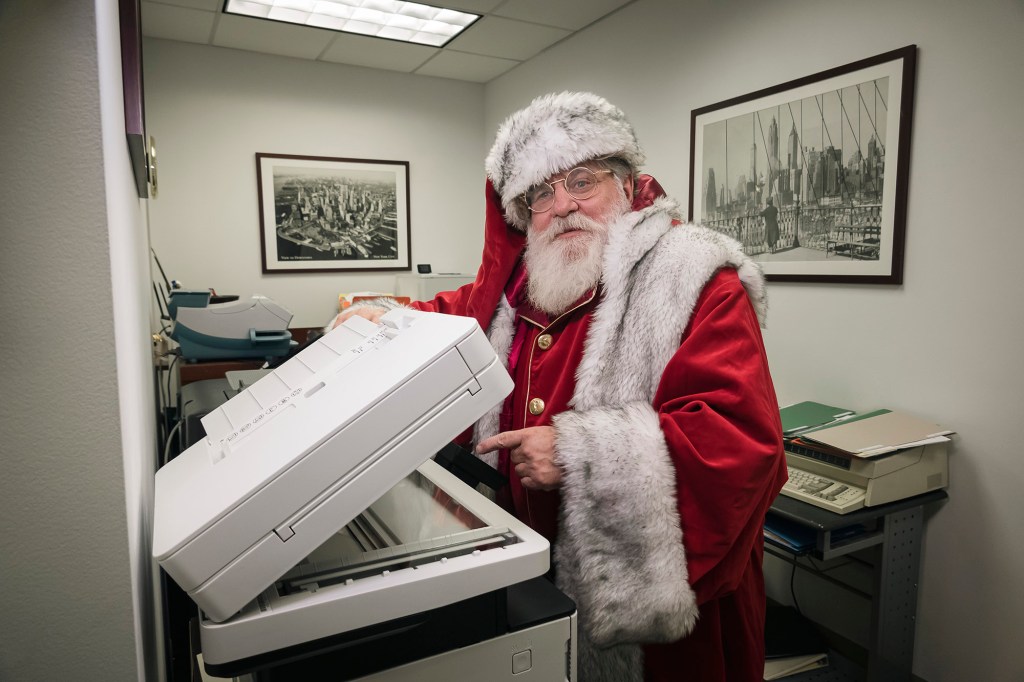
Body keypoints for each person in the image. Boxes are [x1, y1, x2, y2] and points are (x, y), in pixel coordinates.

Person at [330, 92, 786, 682]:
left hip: (663, 630)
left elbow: (740, 442)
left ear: (624, 185)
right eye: (540, 194)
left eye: (581, 181)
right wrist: (384, 318)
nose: (563, 206)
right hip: (534, 588)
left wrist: (580, 455)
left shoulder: (695, 278)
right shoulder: (523, 285)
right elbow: (453, 315)